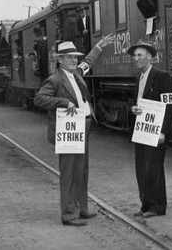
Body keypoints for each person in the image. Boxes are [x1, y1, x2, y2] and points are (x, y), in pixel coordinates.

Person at [34, 34, 115, 226]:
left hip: (83, 127)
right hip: (68, 130)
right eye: (69, 57)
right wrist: (63, 101)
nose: (74, 60)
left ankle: (82, 208)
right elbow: (39, 99)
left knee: (82, 171)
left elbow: (89, 61)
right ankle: (69, 214)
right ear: (59, 59)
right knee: (69, 172)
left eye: (75, 57)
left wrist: (99, 47)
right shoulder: (54, 80)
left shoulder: (77, 73)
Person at [128, 40, 172, 218]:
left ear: (150, 57)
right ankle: (145, 204)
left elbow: (169, 104)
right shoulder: (139, 77)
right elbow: (137, 101)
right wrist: (134, 108)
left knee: (154, 168)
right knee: (141, 168)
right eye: (135, 56)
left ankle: (157, 207)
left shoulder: (162, 76)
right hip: (141, 129)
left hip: (155, 131)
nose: (136, 59)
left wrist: (163, 130)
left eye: (139, 55)